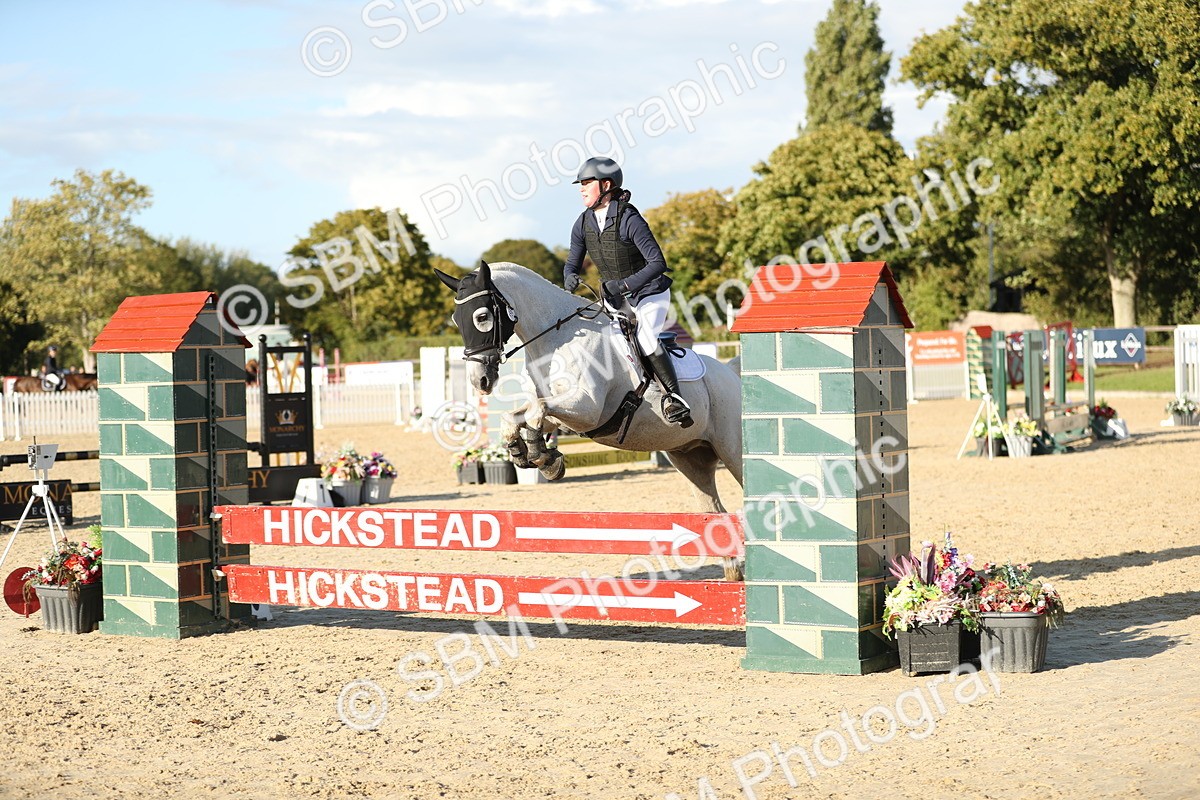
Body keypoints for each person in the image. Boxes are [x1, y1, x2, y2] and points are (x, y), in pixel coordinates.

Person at [562, 157, 692, 427]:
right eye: (580, 184)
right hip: (615, 299)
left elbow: (657, 263)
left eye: (587, 183)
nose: (581, 189)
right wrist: (569, 276)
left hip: (649, 293)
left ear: (606, 185)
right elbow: (572, 262)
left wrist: (623, 285)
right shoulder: (583, 222)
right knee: (605, 344)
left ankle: (674, 398)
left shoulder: (629, 218)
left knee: (645, 338)